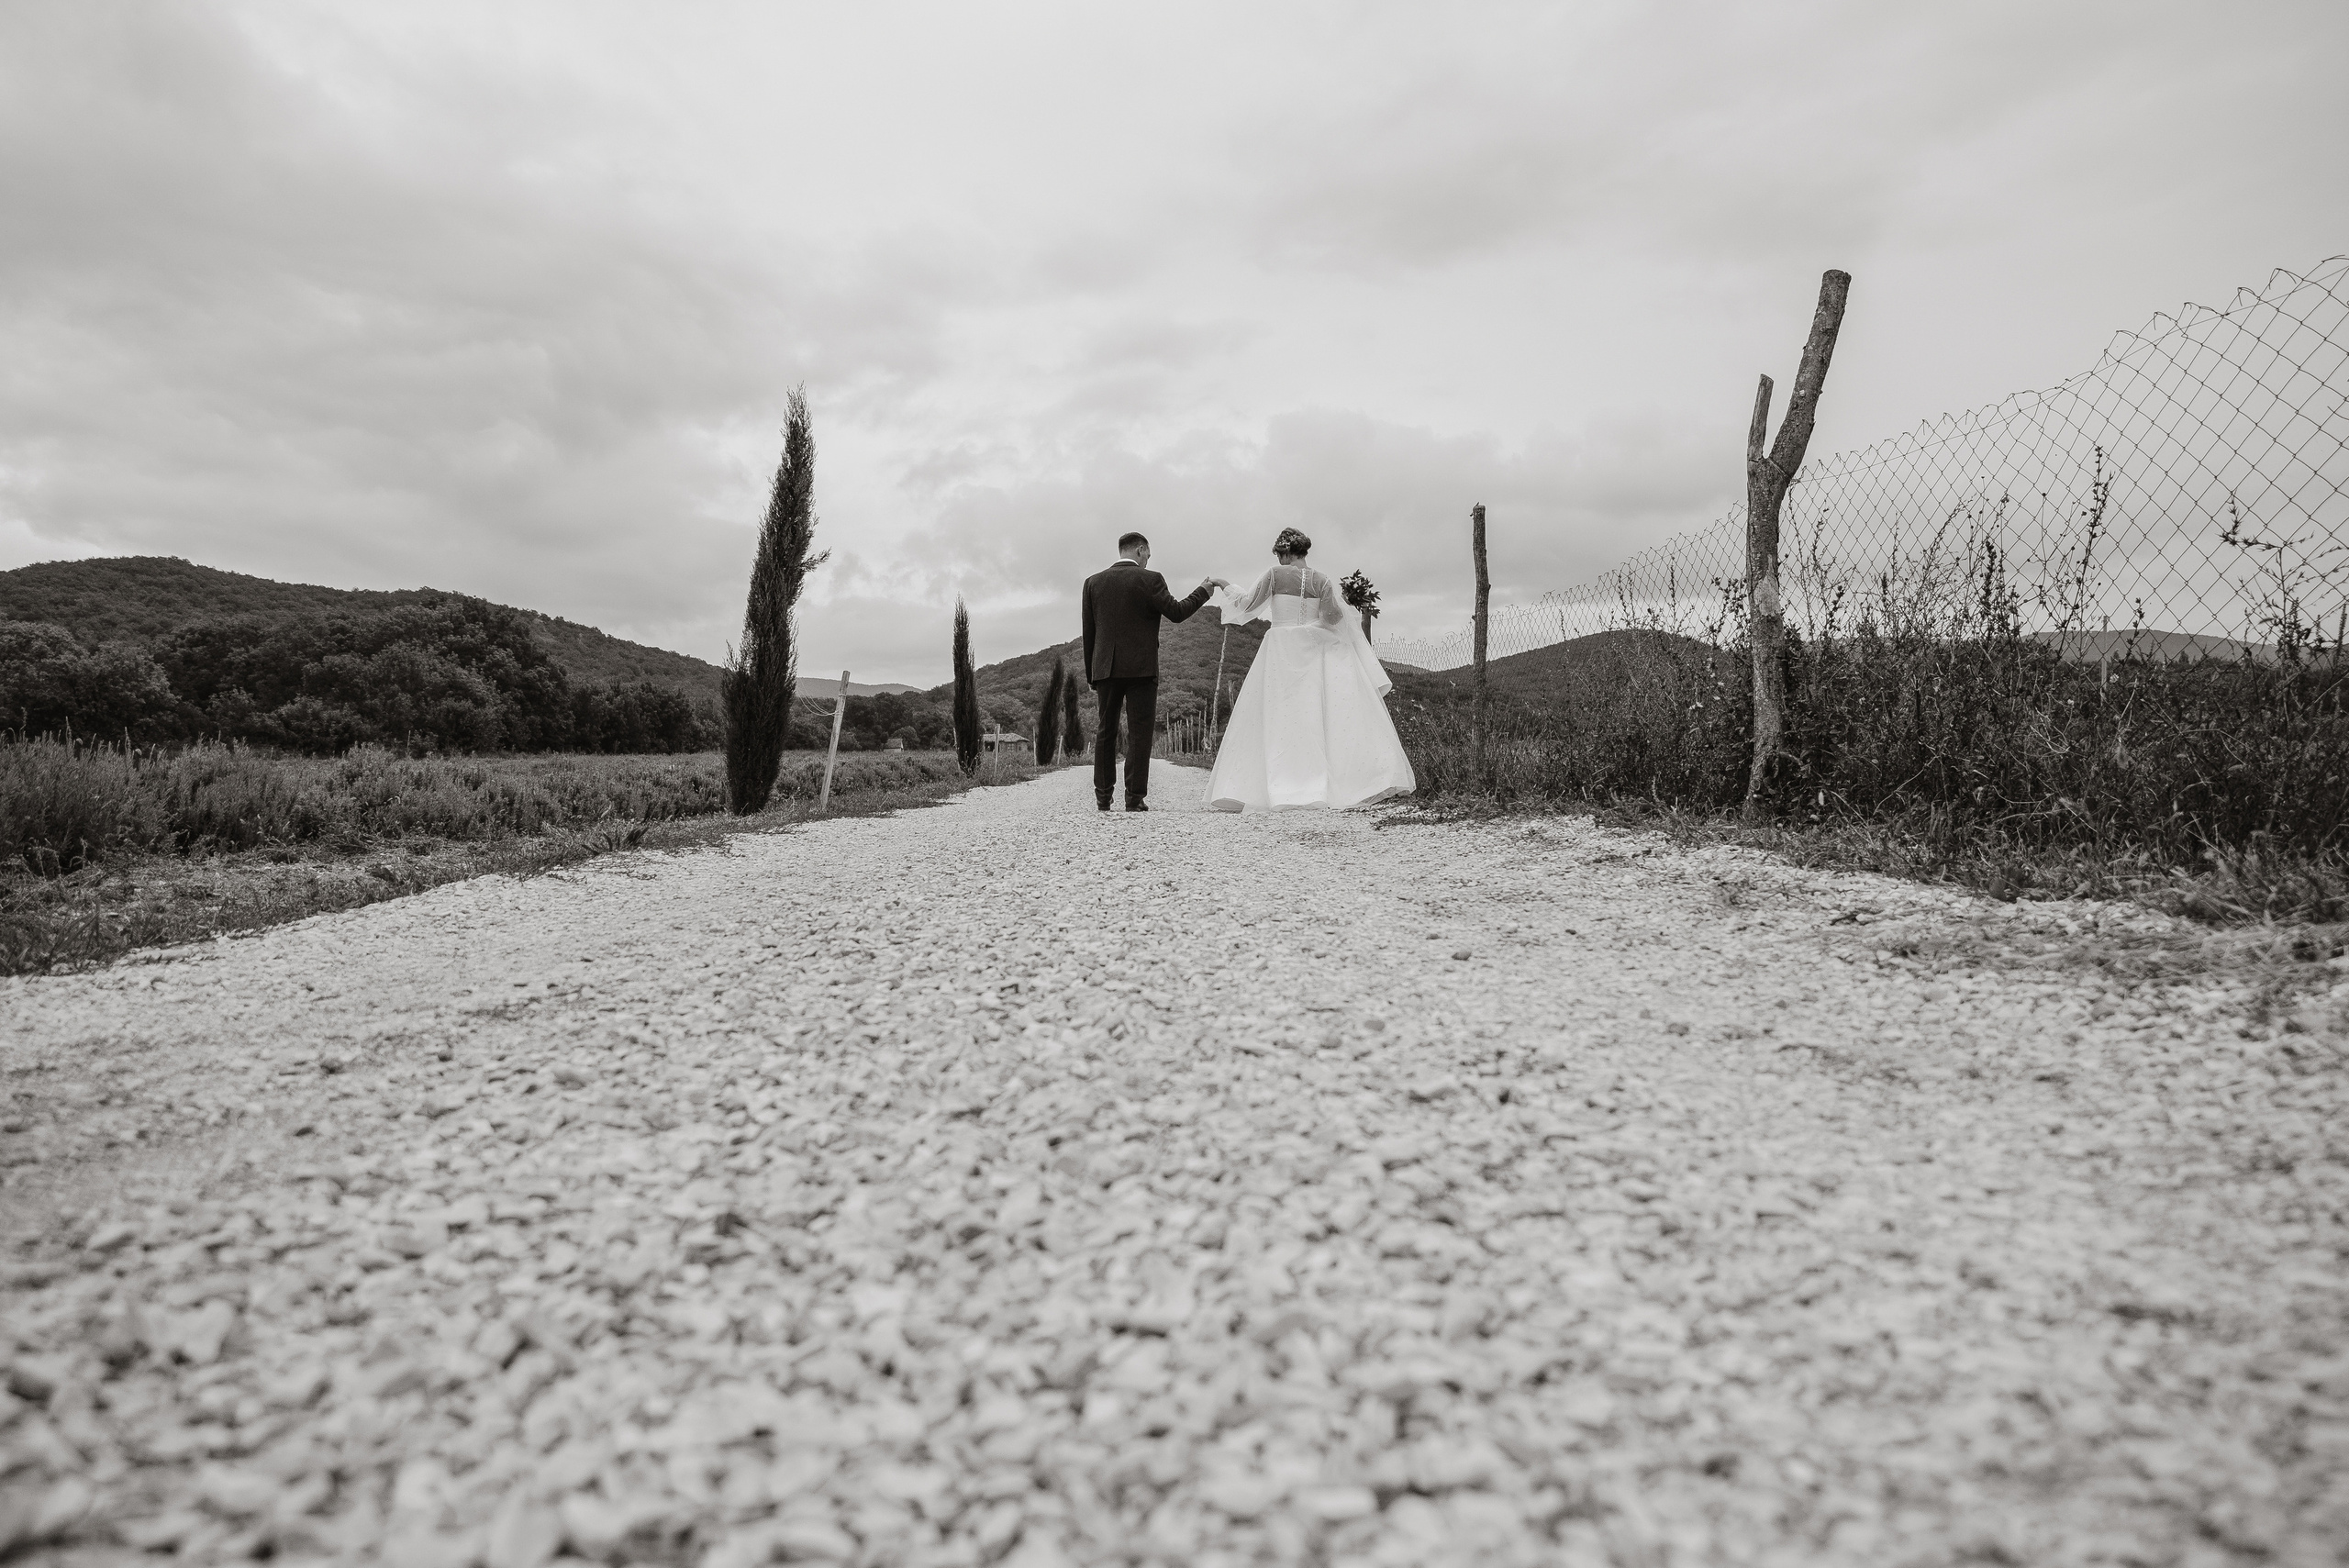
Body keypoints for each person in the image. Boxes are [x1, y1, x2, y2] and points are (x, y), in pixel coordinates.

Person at [1206, 528, 1415, 812]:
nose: (1279, 560)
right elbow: (1331, 618)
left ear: (1286, 553)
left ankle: (1276, 785)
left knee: (1277, 716)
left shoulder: (1274, 575)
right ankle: (1318, 785)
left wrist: (1224, 584)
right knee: (1313, 715)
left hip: (1280, 650)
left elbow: (1245, 606)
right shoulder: (1322, 580)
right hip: (1312, 651)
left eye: (1280, 555)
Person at [1080, 532, 1227, 812]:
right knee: (1139, 734)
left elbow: (1090, 633)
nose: (1148, 559)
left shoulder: (1093, 582)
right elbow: (1177, 612)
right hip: (1141, 669)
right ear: (1139, 549)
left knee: (1105, 732)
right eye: (1147, 554)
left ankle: (1103, 798)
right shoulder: (1151, 579)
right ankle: (1134, 799)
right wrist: (1203, 592)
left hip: (1105, 669)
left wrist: (1091, 675)